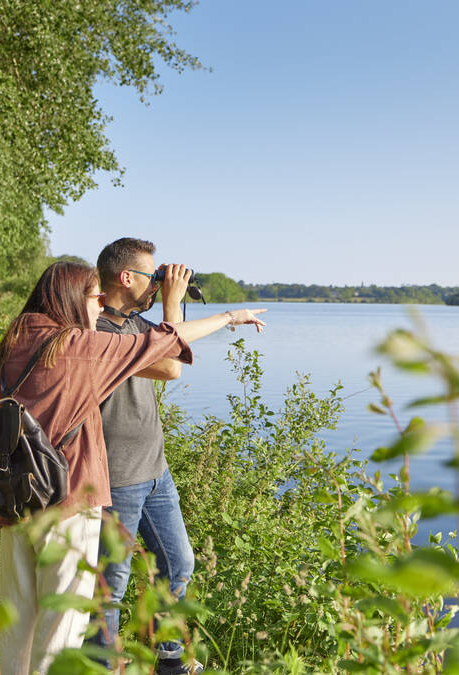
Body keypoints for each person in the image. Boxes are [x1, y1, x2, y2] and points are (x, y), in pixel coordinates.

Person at [0, 261, 265, 675]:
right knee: (62, 625)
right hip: (67, 500)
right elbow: (166, 347)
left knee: (18, 622)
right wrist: (227, 316)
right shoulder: (79, 346)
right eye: (94, 297)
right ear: (72, 298)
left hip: (15, 498)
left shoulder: (16, 338)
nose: (98, 306)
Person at [87, 238, 265, 674]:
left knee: (179, 561)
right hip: (118, 474)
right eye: (150, 276)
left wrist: (213, 312)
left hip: (154, 471)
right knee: (113, 580)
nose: (157, 285)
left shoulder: (134, 323)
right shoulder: (98, 331)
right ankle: (101, 663)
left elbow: (173, 340)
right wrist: (172, 303)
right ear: (125, 277)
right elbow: (170, 366)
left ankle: (168, 656)